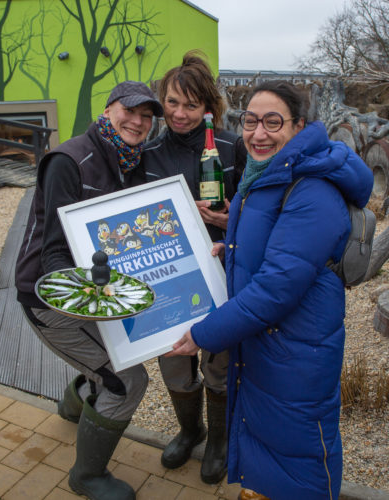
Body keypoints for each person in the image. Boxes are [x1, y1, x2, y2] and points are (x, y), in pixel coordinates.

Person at [167, 80, 373, 499]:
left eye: (273, 121)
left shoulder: (314, 189)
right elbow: (277, 252)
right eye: (251, 121)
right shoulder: (270, 173)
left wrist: (202, 334)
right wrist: (234, 251)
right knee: (265, 438)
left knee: (300, 452)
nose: (258, 133)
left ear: (299, 125)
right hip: (266, 343)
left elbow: (277, 289)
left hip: (297, 350)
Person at [14, 81, 163, 500]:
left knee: (103, 359)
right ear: (109, 109)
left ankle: (73, 405)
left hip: (101, 293)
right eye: (130, 111)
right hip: (49, 297)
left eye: (147, 116)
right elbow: (54, 252)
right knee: (125, 381)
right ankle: (87, 476)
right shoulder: (69, 159)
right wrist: (81, 298)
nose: (138, 121)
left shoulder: (132, 159)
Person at [141, 51, 247, 484]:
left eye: (190, 105)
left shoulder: (230, 147)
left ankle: (219, 441)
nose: (179, 114)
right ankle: (191, 430)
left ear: (208, 107)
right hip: (169, 275)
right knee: (173, 360)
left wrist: (229, 221)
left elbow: (254, 208)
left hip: (219, 271)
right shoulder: (148, 153)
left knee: (217, 362)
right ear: (161, 102)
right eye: (171, 102)